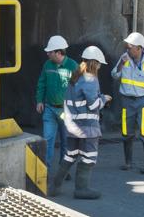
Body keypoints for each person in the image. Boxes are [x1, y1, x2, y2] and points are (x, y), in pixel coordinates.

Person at [49, 46, 111, 199]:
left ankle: (55, 187)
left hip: (72, 127)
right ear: (94, 63)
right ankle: (81, 189)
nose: (100, 67)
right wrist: (104, 99)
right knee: (89, 157)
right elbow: (93, 105)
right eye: (99, 64)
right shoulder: (91, 78)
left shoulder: (75, 77)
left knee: (70, 156)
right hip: (88, 128)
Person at [111, 32, 144, 174]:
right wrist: (121, 64)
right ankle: (128, 162)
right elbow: (114, 75)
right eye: (127, 47)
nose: (128, 49)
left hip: (143, 101)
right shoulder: (124, 59)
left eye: (130, 47)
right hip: (127, 101)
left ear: (139, 48)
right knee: (125, 132)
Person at [35, 35, 78, 171]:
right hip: (49, 108)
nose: (47, 54)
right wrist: (39, 101)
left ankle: (63, 171)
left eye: (50, 52)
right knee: (47, 141)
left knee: (66, 142)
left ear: (59, 52)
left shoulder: (73, 66)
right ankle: (44, 172)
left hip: (67, 111)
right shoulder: (47, 65)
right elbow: (41, 83)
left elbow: (80, 88)